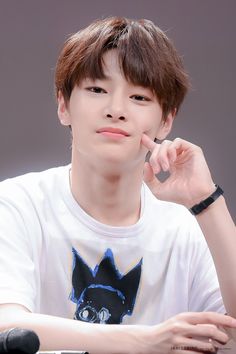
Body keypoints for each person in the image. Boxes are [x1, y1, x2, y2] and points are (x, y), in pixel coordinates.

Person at [0, 16, 235, 354]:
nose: (116, 110)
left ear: (166, 120)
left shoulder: (185, 230)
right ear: (63, 106)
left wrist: (207, 202)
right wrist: (148, 340)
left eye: (139, 97)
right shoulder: (17, 205)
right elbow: (8, 326)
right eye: (97, 90)